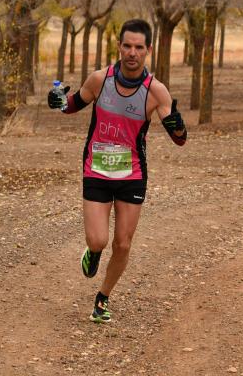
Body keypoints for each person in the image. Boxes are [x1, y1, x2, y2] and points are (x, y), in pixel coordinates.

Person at [48, 19, 187, 323]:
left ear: (148, 50)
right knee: (98, 240)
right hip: (96, 170)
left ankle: (103, 298)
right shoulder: (101, 79)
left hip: (132, 175)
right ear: (119, 47)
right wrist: (58, 102)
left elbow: (179, 139)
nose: (132, 53)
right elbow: (73, 104)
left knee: (123, 243)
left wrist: (178, 126)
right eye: (127, 45)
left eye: (139, 47)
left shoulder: (156, 92)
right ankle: (93, 252)